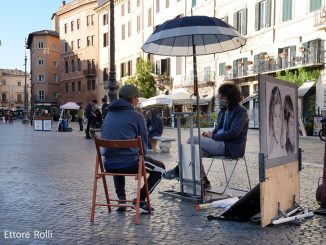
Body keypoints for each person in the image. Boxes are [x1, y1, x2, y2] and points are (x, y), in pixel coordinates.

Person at [165, 83, 249, 188]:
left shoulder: (240, 111)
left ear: (230, 97)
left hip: (229, 147)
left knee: (192, 139)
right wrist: (210, 133)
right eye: (220, 96)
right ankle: (204, 181)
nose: (220, 98)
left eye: (222, 96)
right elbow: (219, 129)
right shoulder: (223, 112)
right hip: (218, 142)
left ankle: (178, 170)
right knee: (195, 151)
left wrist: (213, 137)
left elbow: (234, 133)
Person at [101, 84, 166, 213]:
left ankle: (122, 201)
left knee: (117, 157)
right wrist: (142, 162)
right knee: (161, 169)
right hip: (131, 164)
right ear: (132, 99)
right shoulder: (137, 116)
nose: (137, 101)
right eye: (137, 98)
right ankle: (140, 201)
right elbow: (143, 141)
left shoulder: (108, 115)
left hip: (109, 164)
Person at [268, 86, 286, 158]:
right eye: (275, 116)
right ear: (271, 119)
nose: (278, 123)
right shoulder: (270, 151)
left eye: (280, 116)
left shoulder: (284, 149)